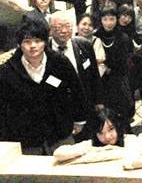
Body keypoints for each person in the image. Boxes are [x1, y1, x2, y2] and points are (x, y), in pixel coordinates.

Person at [0, 21, 88, 155]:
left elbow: (77, 90)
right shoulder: (7, 70)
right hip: (26, 138)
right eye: (27, 41)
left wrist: (79, 119)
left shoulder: (60, 62)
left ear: (45, 42)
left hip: (60, 131)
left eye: (37, 41)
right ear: (19, 44)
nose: (33, 46)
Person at [49, 11, 103, 134]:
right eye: (59, 27)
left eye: (68, 26)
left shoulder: (84, 45)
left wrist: (99, 101)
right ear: (50, 30)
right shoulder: (44, 49)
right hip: (57, 109)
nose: (64, 31)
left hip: (85, 104)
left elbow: (94, 75)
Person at [93, 8, 135, 130]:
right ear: (100, 20)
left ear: (117, 19)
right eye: (105, 19)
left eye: (112, 19)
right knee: (103, 117)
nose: (108, 23)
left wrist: (104, 62)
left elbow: (124, 62)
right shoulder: (96, 36)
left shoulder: (123, 37)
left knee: (121, 114)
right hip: (101, 82)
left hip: (118, 81)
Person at [53, 108, 130, 164]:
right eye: (100, 133)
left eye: (111, 129)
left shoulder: (130, 140)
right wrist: (94, 150)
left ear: (118, 126)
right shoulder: (90, 145)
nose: (107, 136)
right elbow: (58, 154)